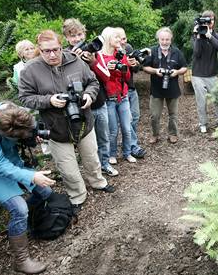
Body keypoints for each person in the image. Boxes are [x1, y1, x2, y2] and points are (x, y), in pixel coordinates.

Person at [19, 30, 115, 215]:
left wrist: (89, 95)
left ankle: (98, 182)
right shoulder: (31, 70)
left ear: (61, 46)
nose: (52, 54)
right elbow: (25, 98)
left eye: (56, 49)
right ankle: (78, 195)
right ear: (40, 49)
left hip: (84, 122)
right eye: (47, 51)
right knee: (67, 167)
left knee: (92, 158)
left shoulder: (75, 60)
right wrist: (49, 101)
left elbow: (93, 82)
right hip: (57, 127)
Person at [0, 102, 55, 274]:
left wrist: (32, 137)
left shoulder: (16, 112)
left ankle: (30, 226)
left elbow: (28, 129)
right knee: (19, 208)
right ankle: (21, 261)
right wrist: (31, 176)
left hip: (13, 164)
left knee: (45, 192)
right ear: (4, 134)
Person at [63, 18, 119, 177]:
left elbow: (106, 76)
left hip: (99, 102)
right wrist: (73, 59)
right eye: (72, 36)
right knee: (84, 140)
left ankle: (105, 163)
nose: (77, 39)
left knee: (103, 136)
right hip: (78, 106)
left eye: (79, 34)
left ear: (84, 34)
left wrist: (93, 62)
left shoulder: (94, 50)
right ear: (67, 38)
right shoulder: (65, 54)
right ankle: (90, 169)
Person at [90, 27, 136, 164]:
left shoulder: (120, 54)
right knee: (113, 130)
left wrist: (123, 64)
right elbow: (101, 78)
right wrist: (107, 69)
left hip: (123, 96)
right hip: (109, 98)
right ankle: (112, 154)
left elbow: (127, 76)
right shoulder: (100, 57)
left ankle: (127, 153)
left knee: (127, 128)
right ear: (108, 39)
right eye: (116, 37)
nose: (119, 40)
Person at [143, 27, 187, 144]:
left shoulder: (177, 52)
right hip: (156, 89)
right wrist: (155, 71)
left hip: (172, 88)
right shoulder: (152, 51)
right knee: (154, 115)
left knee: (173, 115)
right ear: (158, 39)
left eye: (167, 39)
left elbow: (184, 67)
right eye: (162, 39)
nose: (164, 42)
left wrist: (177, 72)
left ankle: (172, 134)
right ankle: (155, 134)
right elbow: (145, 67)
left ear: (171, 40)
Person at [191, 10, 218, 133]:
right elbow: (196, 53)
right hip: (198, 74)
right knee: (201, 101)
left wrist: (209, 36)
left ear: (214, 22)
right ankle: (203, 123)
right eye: (207, 20)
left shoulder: (217, 36)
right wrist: (199, 37)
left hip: (212, 74)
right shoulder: (196, 35)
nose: (210, 22)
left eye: (212, 20)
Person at [118, 27, 146, 158]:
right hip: (119, 91)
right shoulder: (108, 52)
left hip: (131, 88)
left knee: (135, 117)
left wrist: (134, 63)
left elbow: (137, 69)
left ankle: (128, 143)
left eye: (124, 38)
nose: (123, 41)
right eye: (120, 39)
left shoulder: (128, 48)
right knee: (127, 120)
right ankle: (133, 146)